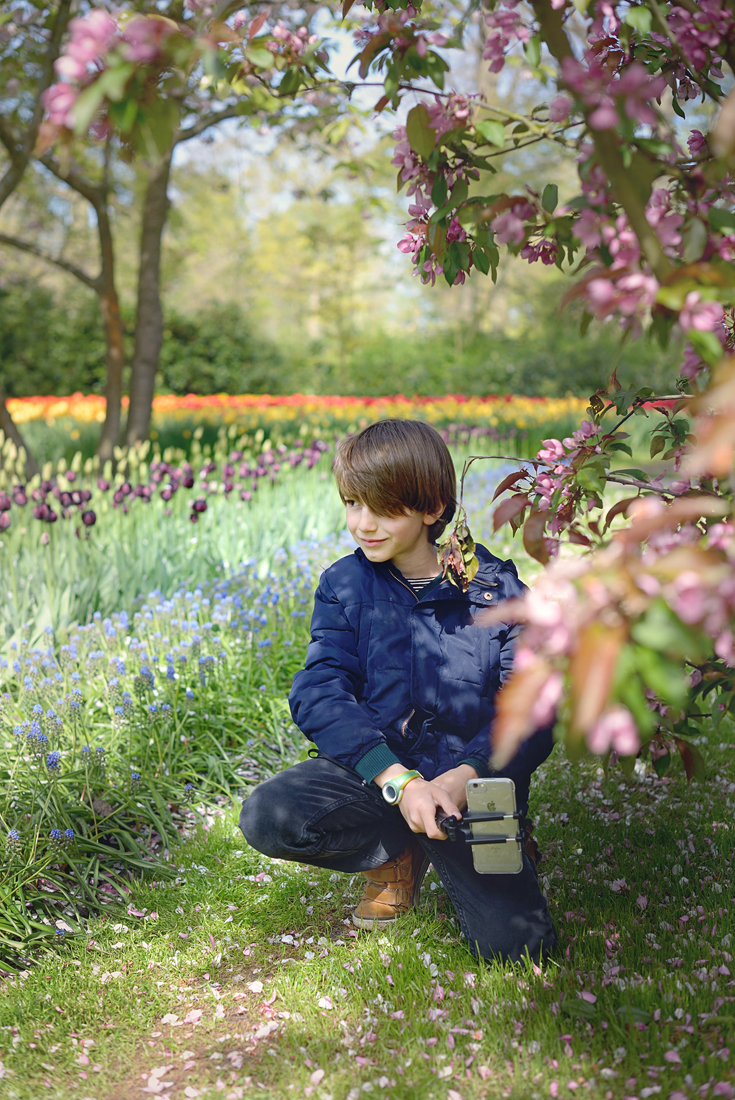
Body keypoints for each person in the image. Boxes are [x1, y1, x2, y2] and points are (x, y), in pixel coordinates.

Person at [239, 419, 557, 963]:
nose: (362, 524)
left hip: (469, 787)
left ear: (432, 507)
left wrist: (465, 776)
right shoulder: (344, 585)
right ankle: (394, 853)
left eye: (383, 509)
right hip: (383, 776)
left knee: (518, 950)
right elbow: (319, 688)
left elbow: (531, 710)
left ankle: (502, 833)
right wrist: (399, 780)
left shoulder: (496, 589)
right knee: (268, 815)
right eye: (352, 504)